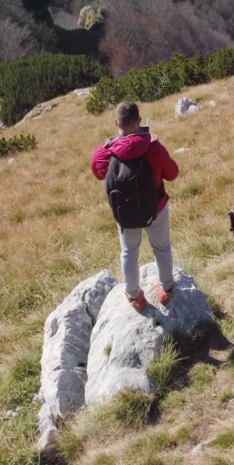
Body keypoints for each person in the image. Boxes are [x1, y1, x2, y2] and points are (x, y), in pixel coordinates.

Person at [91, 102, 180, 311]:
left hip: (125, 213)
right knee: (162, 247)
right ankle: (166, 289)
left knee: (129, 252)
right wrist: (155, 146)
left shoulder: (105, 153)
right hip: (155, 208)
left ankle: (134, 296)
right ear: (139, 122)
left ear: (116, 123)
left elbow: (97, 173)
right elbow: (173, 173)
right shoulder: (152, 147)